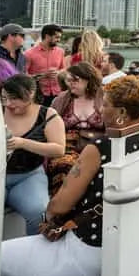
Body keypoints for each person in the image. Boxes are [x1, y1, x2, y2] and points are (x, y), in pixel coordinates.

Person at [0, 75, 139, 276]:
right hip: (122, 244)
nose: (99, 109)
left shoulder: (99, 149)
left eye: (105, 105)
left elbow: (59, 205)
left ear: (122, 112)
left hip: (86, 248)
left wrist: (50, 219)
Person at [2, 74, 65, 235]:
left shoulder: (48, 115)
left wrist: (23, 143)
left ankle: (34, 253)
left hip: (28, 176)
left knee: (40, 213)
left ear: (30, 94)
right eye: (4, 98)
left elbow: (59, 149)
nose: (8, 104)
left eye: (14, 99)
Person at [47, 62, 104, 196]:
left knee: (96, 169)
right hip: (67, 146)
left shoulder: (104, 97)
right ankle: (61, 208)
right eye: (69, 80)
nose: (71, 83)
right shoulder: (61, 100)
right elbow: (50, 125)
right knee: (64, 166)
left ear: (89, 80)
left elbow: (114, 124)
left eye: (75, 80)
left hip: (97, 145)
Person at [24, 24, 66, 107]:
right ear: (47, 36)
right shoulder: (29, 54)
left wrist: (58, 73)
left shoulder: (60, 52)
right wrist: (42, 75)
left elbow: (63, 69)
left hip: (57, 93)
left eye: (59, 37)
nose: (59, 40)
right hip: (38, 95)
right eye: (56, 37)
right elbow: (23, 76)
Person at [0, 23, 27, 88]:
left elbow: (24, 77)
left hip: (18, 96)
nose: (24, 38)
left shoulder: (22, 57)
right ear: (11, 36)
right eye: (22, 35)